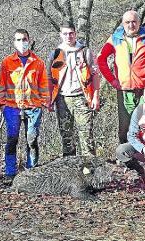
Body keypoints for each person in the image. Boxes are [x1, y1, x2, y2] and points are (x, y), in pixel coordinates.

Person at [97, 10, 145, 144]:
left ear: (139, 23)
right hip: (124, 89)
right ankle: (125, 155)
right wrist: (112, 80)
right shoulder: (115, 38)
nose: (131, 25)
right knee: (124, 126)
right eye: (127, 22)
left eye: (134, 22)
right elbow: (101, 58)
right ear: (123, 23)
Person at [0, 29, 49, 179]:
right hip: (12, 107)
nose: (22, 43)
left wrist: (45, 101)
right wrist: (1, 103)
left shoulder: (38, 62)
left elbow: (44, 84)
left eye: (24, 39)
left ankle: (31, 171)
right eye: (18, 40)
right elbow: (1, 84)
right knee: (12, 139)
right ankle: (10, 172)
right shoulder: (7, 62)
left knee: (31, 139)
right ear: (14, 42)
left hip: (33, 107)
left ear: (29, 40)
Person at [47, 21, 100, 157]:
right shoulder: (55, 53)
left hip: (81, 98)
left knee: (86, 134)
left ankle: (89, 169)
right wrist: (49, 99)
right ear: (61, 35)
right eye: (65, 34)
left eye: (71, 33)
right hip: (62, 99)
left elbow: (95, 75)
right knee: (66, 136)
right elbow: (49, 78)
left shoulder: (84, 51)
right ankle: (69, 169)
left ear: (75, 34)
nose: (68, 36)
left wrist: (95, 96)